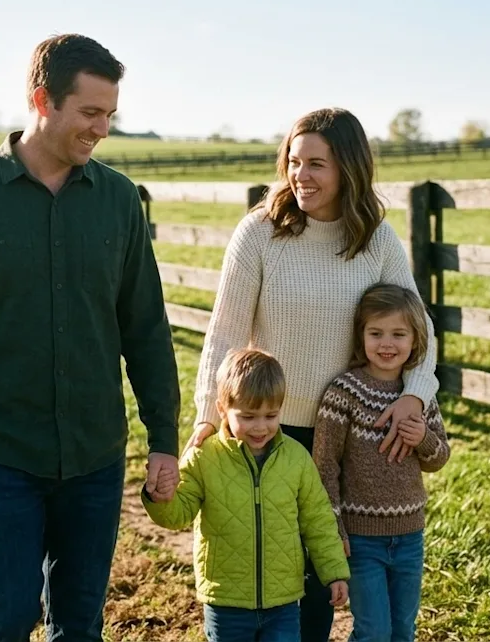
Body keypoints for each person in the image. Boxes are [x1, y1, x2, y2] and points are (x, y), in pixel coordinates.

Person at [0, 33, 182, 641]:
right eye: (89, 112)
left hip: (95, 456)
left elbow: (146, 328)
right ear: (42, 100)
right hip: (2, 454)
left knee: (80, 625)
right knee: (4, 619)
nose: (101, 128)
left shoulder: (118, 202)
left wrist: (164, 437)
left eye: (110, 114)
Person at [185, 107, 440, 640]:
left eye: (317, 163)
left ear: (349, 167)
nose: (301, 175)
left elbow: (422, 330)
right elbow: (225, 332)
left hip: (344, 436)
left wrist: (414, 396)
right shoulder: (260, 233)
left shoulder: (375, 239)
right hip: (268, 428)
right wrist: (208, 420)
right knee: (269, 573)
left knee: (323, 575)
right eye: (294, 161)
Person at [143, 347, 349, 642]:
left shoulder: (296, 458)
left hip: (284, 601)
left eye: (271, 415)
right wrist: (161, 498)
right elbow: (178, 514)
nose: (261, 426)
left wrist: (334, 573)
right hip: (226, 602)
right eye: (249, 416)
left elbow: (318, 521)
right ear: (222, 408)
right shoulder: (203, 458)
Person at [313, 284, 451, 642]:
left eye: (398, 334)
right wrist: (335, 526)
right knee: (374, 631)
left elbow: (439, 459)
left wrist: (422, 437)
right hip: (361, 540)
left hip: (409, 536)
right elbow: (325, 465)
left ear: (415, 339)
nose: (386, 344)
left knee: (403, 630)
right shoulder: (345, 392)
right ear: (361, 336)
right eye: (376, 333)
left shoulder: (418, 396)